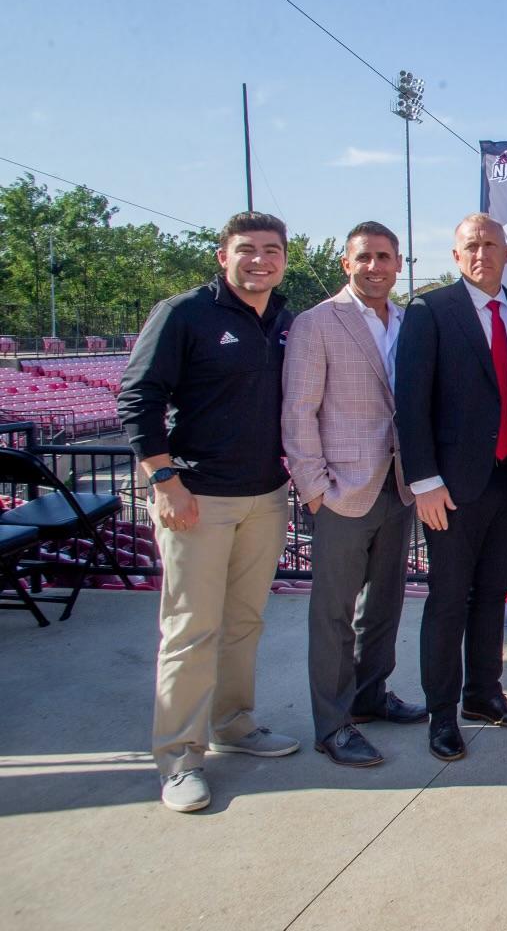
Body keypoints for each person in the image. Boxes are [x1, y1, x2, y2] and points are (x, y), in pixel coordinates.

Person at [118, 211, 299, 813]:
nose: (260, 260)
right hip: (197, 497)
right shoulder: (183, 313)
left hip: (266, 495)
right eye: (247, 250)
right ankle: (180, 759)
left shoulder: (285, 320)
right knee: (191, 629)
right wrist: (164, 479)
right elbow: (138, 396)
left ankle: (234, 724)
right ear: (223, 256)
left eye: (271, 251)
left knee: (244, 622)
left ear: (284, 259)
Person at [282, 221, 426, 768]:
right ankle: (333, 723)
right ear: (347, 263)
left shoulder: (409, 323)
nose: (375, 267)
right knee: (334, 614)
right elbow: (299, 413)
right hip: (342, 491)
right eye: (364, 257)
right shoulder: (316, 323)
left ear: (398, 263)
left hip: (398, 487)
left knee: (385, 606)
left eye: (385, 257)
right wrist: (315, 489)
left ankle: (370, 695)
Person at [395, 213, 507, 763]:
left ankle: (483, 693)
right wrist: (424, 481)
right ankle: (441, 714)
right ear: (456, 257)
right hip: (449, 488)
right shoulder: (430, 311)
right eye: (471, 246)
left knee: (492, 596)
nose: (482, 254)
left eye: (491, 245)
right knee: (448, 601)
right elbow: (411, 403)